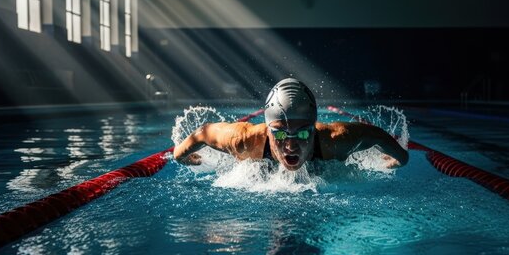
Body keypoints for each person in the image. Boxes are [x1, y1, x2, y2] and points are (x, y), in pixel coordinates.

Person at [173, 78, 408, 171]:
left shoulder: (335, 140)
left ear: (314, 129)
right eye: (281, 134)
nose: (292, 146)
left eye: (303, 134)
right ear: (267, 129)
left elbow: (377, 135)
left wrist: (399, 159)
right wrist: (181, 156)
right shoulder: (244, 141)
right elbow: (203, 133)